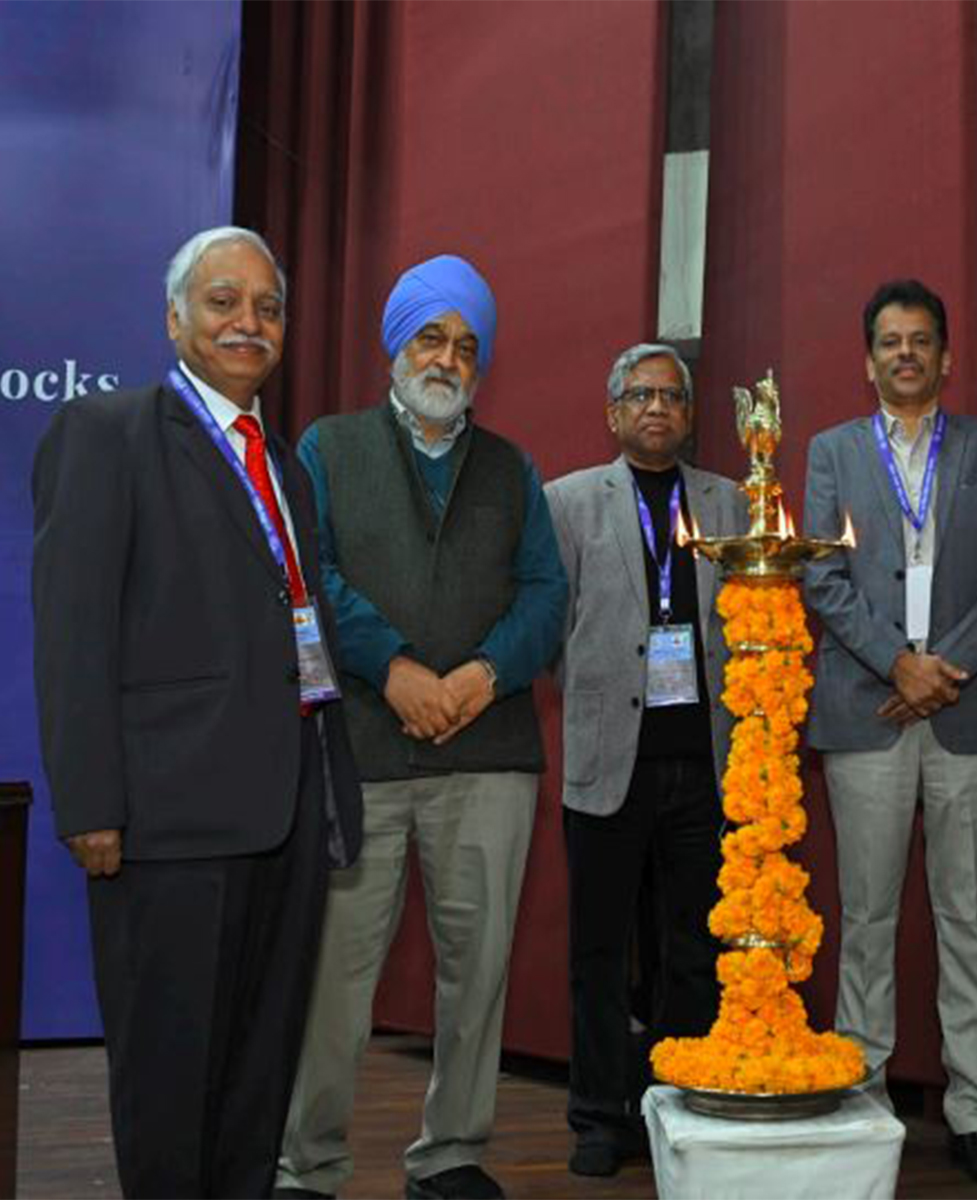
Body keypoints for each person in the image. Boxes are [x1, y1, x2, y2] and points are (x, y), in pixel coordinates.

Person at [31, 226, 363, 1198]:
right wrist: (91, 801)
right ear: (174, 317)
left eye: (267, 307)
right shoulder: (107, 433)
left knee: (255, 1078)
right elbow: (72, 630)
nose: (247, 323)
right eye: (224, 302)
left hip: (287, 813)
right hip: (165, 822)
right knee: (169, 1081)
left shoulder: (286, 463)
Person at [275, 255, 567, 1200]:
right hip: (361, 745)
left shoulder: (512, 467)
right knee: (334, 982)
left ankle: (450, 1156)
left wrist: (481, 677)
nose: (447, 359)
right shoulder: (329, 447)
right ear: (397, 347)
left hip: (487, 755)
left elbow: (547, 596)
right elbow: (311, 578)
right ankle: (306, 1165)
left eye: (465, 345)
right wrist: (395, 669)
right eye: (431, 338)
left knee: (475, 973)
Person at [802, 279, 977, 1192]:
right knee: (865, 917)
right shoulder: (830, 452)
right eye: (890, 342)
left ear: (946, 357)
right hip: (869, 709)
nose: (906, 354)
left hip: (969, 714)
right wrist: (898, 663)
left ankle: (974, 1110)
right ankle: (864, 1096)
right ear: (867, 361)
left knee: (965, 919)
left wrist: (945, 669)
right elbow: (821, 576)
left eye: (921, 341)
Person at [544, 343, 749, 1177]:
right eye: (639, 394)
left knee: (693, 945)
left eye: (670, 395)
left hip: (704, 761)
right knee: (600, 949)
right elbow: (552, 626)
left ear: (691, 414)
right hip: (607, 760)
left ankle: (681, 1098)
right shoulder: (566, 502)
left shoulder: (730, 503)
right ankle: (600, 1114)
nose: (656, 407)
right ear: (613, 413)